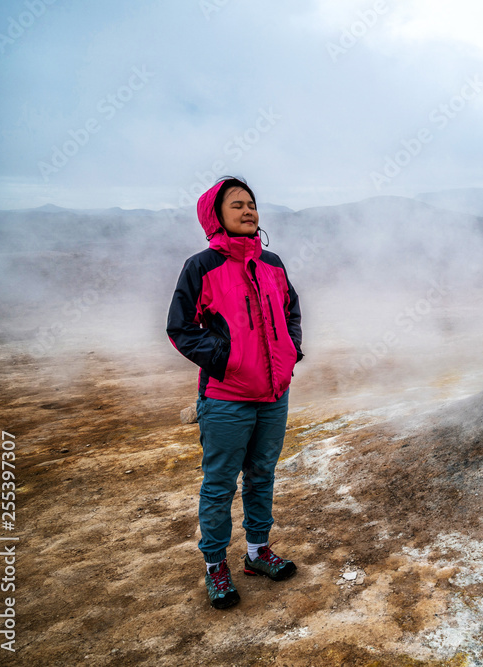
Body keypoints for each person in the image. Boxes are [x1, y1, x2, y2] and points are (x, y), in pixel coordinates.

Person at [167, 177, 304, 609]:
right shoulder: (201, 266)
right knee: (221, 483)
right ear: (216, 216)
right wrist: (227, 361)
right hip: (226, 398)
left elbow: (291, 312)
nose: (248, 211)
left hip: (273, 394)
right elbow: (180, 328)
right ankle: (215, 567)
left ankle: (257, 553)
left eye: (252, 205)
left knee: (262, 474)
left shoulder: (273, 263)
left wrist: (290, 351)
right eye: (237, 206)